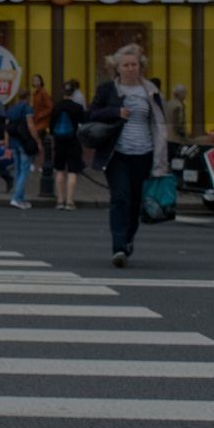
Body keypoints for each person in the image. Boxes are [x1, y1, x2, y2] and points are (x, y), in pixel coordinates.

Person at [89, 43, 169, 268]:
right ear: (117, 68)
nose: (131, 68)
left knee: (134, 203)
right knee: (120, 197)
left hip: (144, 153)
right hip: (117, 154)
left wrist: (162, 156)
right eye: (126, 65)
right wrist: (115, 112)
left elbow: (159, 123)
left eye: (134, 64)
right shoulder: (107, 90)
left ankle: (128, 237)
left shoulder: (150, 90)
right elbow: (91, 113)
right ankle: (119, 247)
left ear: (140, 66)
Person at [49, 83, 86, 210]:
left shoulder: (57, 107)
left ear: (63, 92)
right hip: (73, 141)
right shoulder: (78, 107)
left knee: (59, 170)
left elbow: (52, 125)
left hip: (59, 141)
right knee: (72, 171)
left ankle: (60, 200)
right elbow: (84, 122)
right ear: (73, 93)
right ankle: (70, 201)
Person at [5, 88, 37, 209]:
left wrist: (7, 144)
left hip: (13, 143)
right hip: (24, 143)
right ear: (28, 97)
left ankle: (20, 198)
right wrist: (37, 140)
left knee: (18, 170)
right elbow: (30, 126)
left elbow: (7, 128)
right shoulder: (27, 108)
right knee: (25, 171)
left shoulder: (11, 109)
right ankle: (17, 198)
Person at [31, 73, 52, 168]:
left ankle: (41, 163)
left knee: (37, 141)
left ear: (41, 81)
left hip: (42, 122)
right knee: (41, 142)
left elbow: (50, 107)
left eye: (37, 80)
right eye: (34, 80)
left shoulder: (43, 93)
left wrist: (40, 115)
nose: (35, 82)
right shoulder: (35, 93)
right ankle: (42, 163)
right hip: (37, 121)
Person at [165, 84, 188, 163]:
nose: (186, 95)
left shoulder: (168, 103)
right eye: (185, 93)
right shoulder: (179, 106)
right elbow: (179, 123)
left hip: (167, 138)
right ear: (179, 94)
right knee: (177, 163)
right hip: (176, 139)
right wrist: (184, 136)